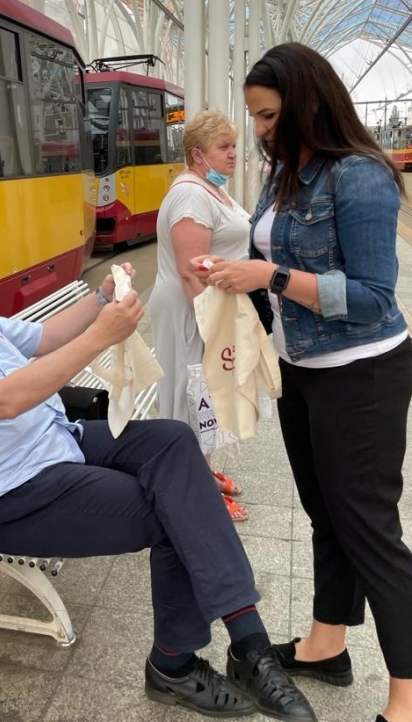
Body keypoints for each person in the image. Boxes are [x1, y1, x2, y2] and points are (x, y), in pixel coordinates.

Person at [0, 219, 317, 722]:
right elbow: (5, 400)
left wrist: (100, 299)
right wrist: (102, 335)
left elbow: (43, 338)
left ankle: (248, 646)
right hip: (9, 497)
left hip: (56, 443)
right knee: (175, 512)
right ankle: (180, 663)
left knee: (172, 440)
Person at [194, 42, 412, 722]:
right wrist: (233, 279)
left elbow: (372, 298)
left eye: (269, 115)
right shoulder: (284, 173)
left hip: (361, 374)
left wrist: (268, 277)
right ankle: (327, 644)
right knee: (324, 513)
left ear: (308, 103)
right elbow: (269, 257)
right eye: (255, 117)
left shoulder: (359, 176)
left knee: (370, 528)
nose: (260, 130)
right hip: (301, 372)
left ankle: (411, 697)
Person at [149, 110, 251, 521]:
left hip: (206, 308)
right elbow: (192, 271)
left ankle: (201, 472)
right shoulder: (191, 195)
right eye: (223, 147)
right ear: (197, 154)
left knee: (203, 394)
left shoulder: (210, 188)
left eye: (234, 145)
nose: (233, 154)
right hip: (191, 311)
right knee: (193, 395)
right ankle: (194, 489)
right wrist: (213, 330)